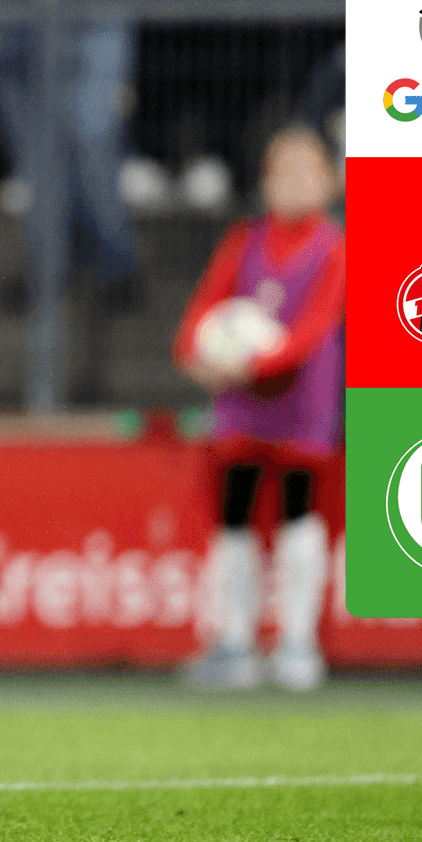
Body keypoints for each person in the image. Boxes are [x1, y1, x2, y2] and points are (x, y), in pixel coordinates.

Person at [172, 125, 345, 692]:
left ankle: (297, 642)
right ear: (266, 182)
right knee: (234, 514)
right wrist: (194, 353)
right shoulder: (244, 242)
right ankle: (234, 642)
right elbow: (204, 308)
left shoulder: (333, 248)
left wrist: (251, 363)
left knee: (299, 511)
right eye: (283, 171)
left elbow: (315, 328)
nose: (295, 182)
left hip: (301, 402)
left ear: (330, 181)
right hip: (241, 405)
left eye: (307, 171)